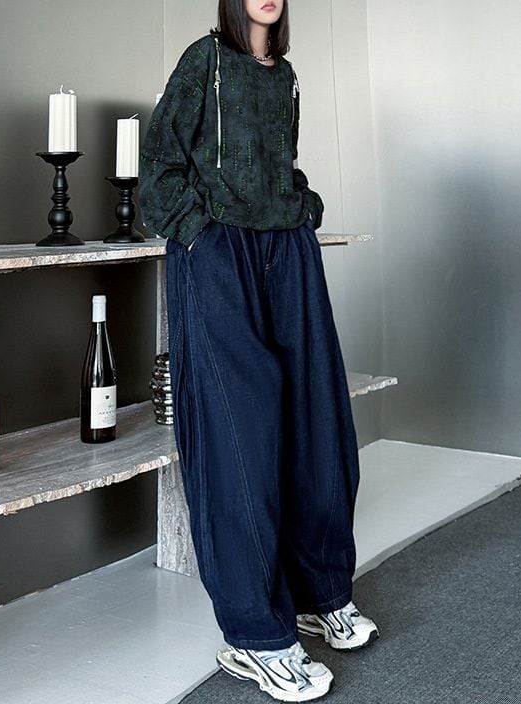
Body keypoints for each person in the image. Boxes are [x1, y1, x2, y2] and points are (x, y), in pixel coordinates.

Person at [139, 1, 378, 700]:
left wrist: (300, 206)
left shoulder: (287, 76)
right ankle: (255, 636)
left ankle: (319, 593)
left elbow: (280, 164)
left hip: (287, 253)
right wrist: (200, 236)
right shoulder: (204, 61)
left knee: (315, 422)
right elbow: (161, 166)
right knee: (239, 439)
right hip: (220, 255)